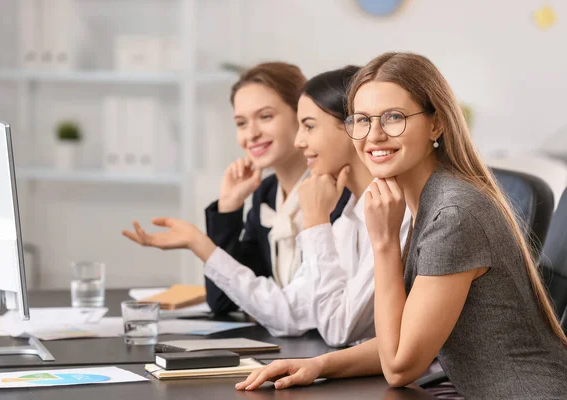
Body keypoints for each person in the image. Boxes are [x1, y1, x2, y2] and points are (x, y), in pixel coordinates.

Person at [236, 52, 567, 399]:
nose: (374, 135)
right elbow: (405, 337)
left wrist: (385, 242)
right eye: (361, 120)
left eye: (393, 117)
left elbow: (399, 366)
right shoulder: (430, 199)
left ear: (436, 124)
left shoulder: (453, 215)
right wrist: (320, 365)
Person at [121, 63, 350, 337]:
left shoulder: (338, 192)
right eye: (241, 123)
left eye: (265, 117)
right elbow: (223, 302)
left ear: (300, 116)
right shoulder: (266, 194)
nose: (251, 133)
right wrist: (229, 209)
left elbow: (309, 310)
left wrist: (199, 243)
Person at [293, 66, 410, 346]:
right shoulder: (349, 216)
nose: (298, 141)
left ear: (351, 127)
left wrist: (316, 221)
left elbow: (338, 328)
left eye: (309, 126)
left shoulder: (399, 211)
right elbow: (295, 309)